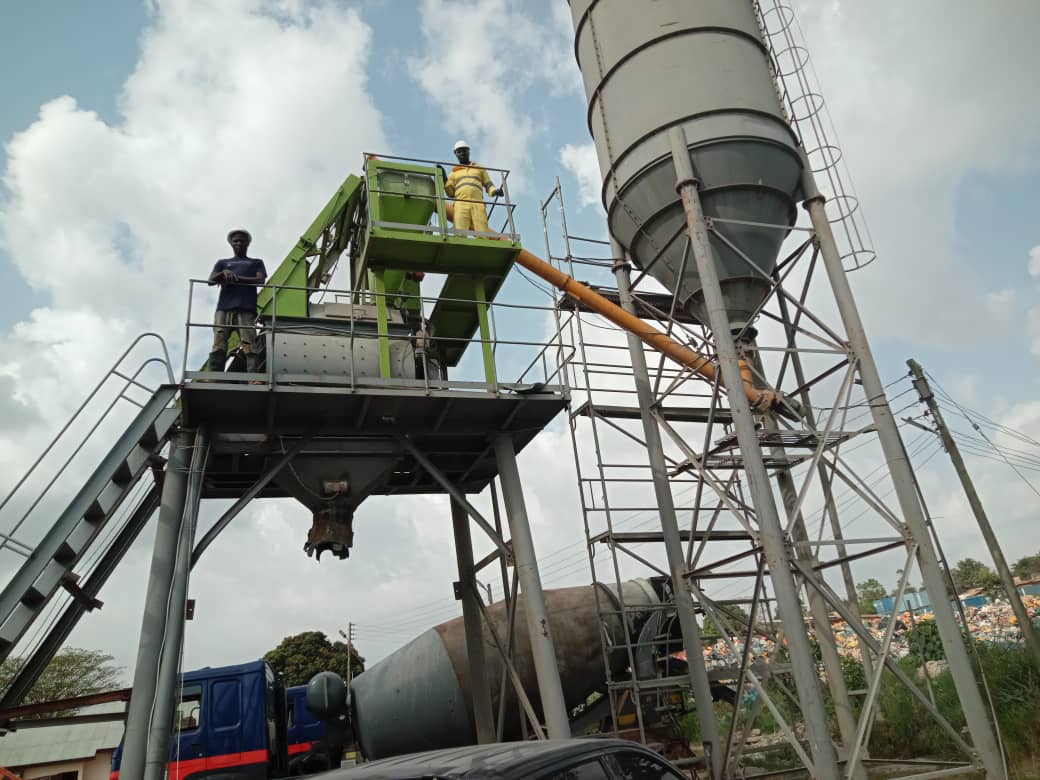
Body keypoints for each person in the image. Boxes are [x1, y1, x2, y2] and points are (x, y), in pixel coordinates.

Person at [207, 229, 267, 375]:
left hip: (246, 308)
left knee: (249, 342)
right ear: (231, 244)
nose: (239, 243)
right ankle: (214, 376)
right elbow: (210, 281)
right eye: (236, 241)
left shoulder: (256, 262)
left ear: (247, 243)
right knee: (219, 342)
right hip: (224, 308)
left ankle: (253, 376)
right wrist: (223, 273)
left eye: (242, 241)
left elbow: (260, 280)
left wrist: (236, 278)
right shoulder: (222, 263)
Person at [443, 140, 503, 234]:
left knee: (482, 232)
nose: (462, 153)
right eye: (459, 151)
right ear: (456, 154)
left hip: (478, 203)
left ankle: (482, 242)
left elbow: (488, 183)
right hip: (461, 204)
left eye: (464, 150)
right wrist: (444, 179)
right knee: (460, 233)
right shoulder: (454, 173)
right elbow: (450, 193)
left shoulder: (479, 168)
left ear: (468, 151)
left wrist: (494, 191)